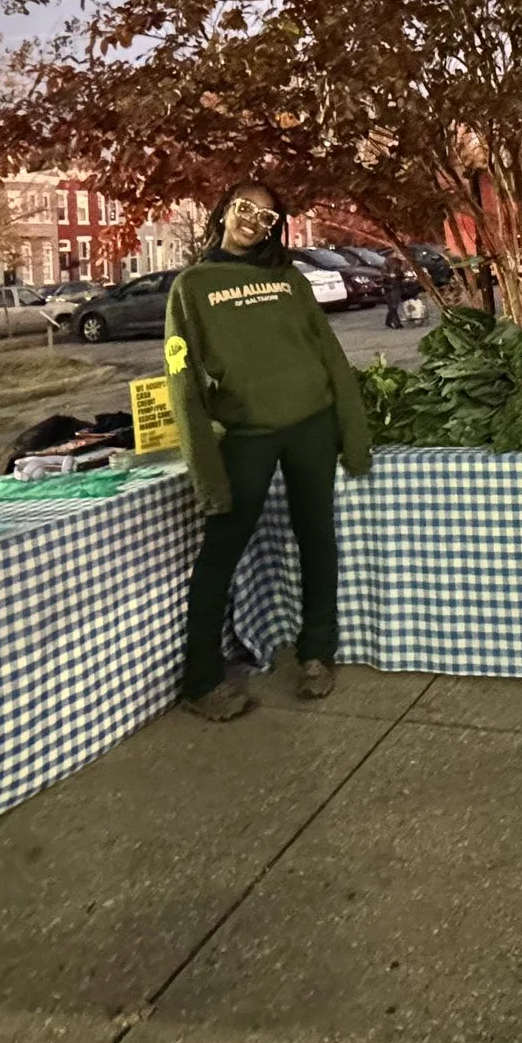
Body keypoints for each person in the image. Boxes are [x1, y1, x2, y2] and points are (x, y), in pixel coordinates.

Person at [165, 182, 372, 721]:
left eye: (266, 217)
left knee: (317, 537)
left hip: (313, 425)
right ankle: (200, 678)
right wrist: (206, 473)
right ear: (223, 211)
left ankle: (318, 652)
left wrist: (354, 435)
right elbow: (181, 384)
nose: (252, 222)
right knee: (220, 552)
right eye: (244, 209)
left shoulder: (287, 278)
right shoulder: (192, 286)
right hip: (248, 436)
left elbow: (329, 353)